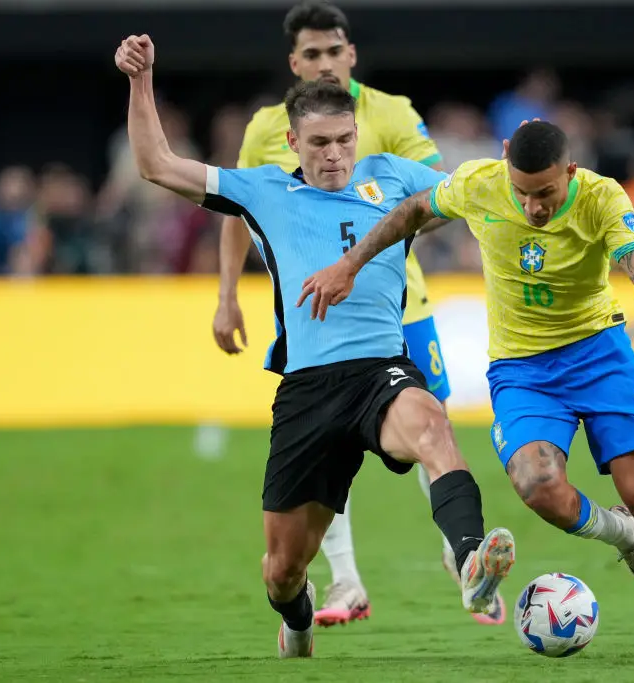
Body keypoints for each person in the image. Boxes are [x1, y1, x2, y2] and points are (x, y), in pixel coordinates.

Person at [114, 33, 515, 659]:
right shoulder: (265, 191)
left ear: (358, 134)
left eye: (345, 140)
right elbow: (156, 164)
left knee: (434, 424)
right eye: (321, 143)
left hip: (382, 371)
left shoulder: (393, 178)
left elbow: (472, 191)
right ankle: (296, 621)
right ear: (295, 143)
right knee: (281, 569)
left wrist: (511, 167)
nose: (335, 155)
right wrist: (141, 82)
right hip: (307, 391)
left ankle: (470, 566)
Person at [299, 121, 634, 664]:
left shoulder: (601, 196)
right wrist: (350, 263)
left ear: (571, 173)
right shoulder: (480, 183)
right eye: (523, 192)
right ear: (506, 164)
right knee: (538, 488)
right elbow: (414, 210)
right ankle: (624, 538)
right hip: (522, 370)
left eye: (545, 194)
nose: (533, 206)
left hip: (598, 355)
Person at [209, 0, 492, 627]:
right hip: (316, 305)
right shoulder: (265, 127)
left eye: (334, 51)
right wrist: (228, 291)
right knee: (329, 446)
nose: (325, 63)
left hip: (400, 303)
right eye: (311, 54)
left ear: (351, 53)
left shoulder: (390, 113)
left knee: (430, 423)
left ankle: (461, 553)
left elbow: (437, 189)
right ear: (294, 62)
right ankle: (345, 580)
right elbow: (241, 205)